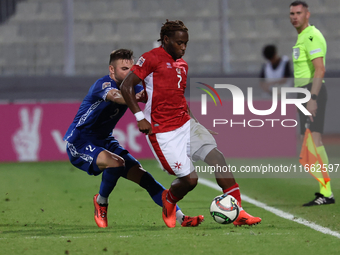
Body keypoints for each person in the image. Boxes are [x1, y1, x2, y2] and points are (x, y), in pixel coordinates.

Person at [121, 20, 262, 228]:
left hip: (185, 124)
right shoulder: (150, 58)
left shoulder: (182, 65)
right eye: (179, 43)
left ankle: (238, 211)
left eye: (186, 43)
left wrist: (195, 121)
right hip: (162, 132)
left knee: (218, 158)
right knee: (190, 180)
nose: (184, 48)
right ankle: (169, 200)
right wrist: (140, 117)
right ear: (166, 40)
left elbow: (179, 98)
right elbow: (126, 86)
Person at [63, 49, 203, 228]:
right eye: (123, 69)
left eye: (131, 68)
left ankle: (182, 218)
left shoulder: (134, 87)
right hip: (80, 142)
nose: (129, 72)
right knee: (116, 163)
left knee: (146, 178)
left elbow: (158, 97)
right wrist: (136, 96)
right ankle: (101, 201)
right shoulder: (103, 84)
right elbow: (116, 96)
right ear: (111, 70)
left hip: (106, 141)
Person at [290, 1, 334, 206]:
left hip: (311, 93)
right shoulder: (301, 37)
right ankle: (325, 191)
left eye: (299, 13)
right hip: (303, 93)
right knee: (306, 144)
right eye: (292, 13)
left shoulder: (310, 36)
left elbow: (320, 69)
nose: (294, 16)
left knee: (315, 143)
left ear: (308, 14)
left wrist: (313, 99)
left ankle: (326, 192)